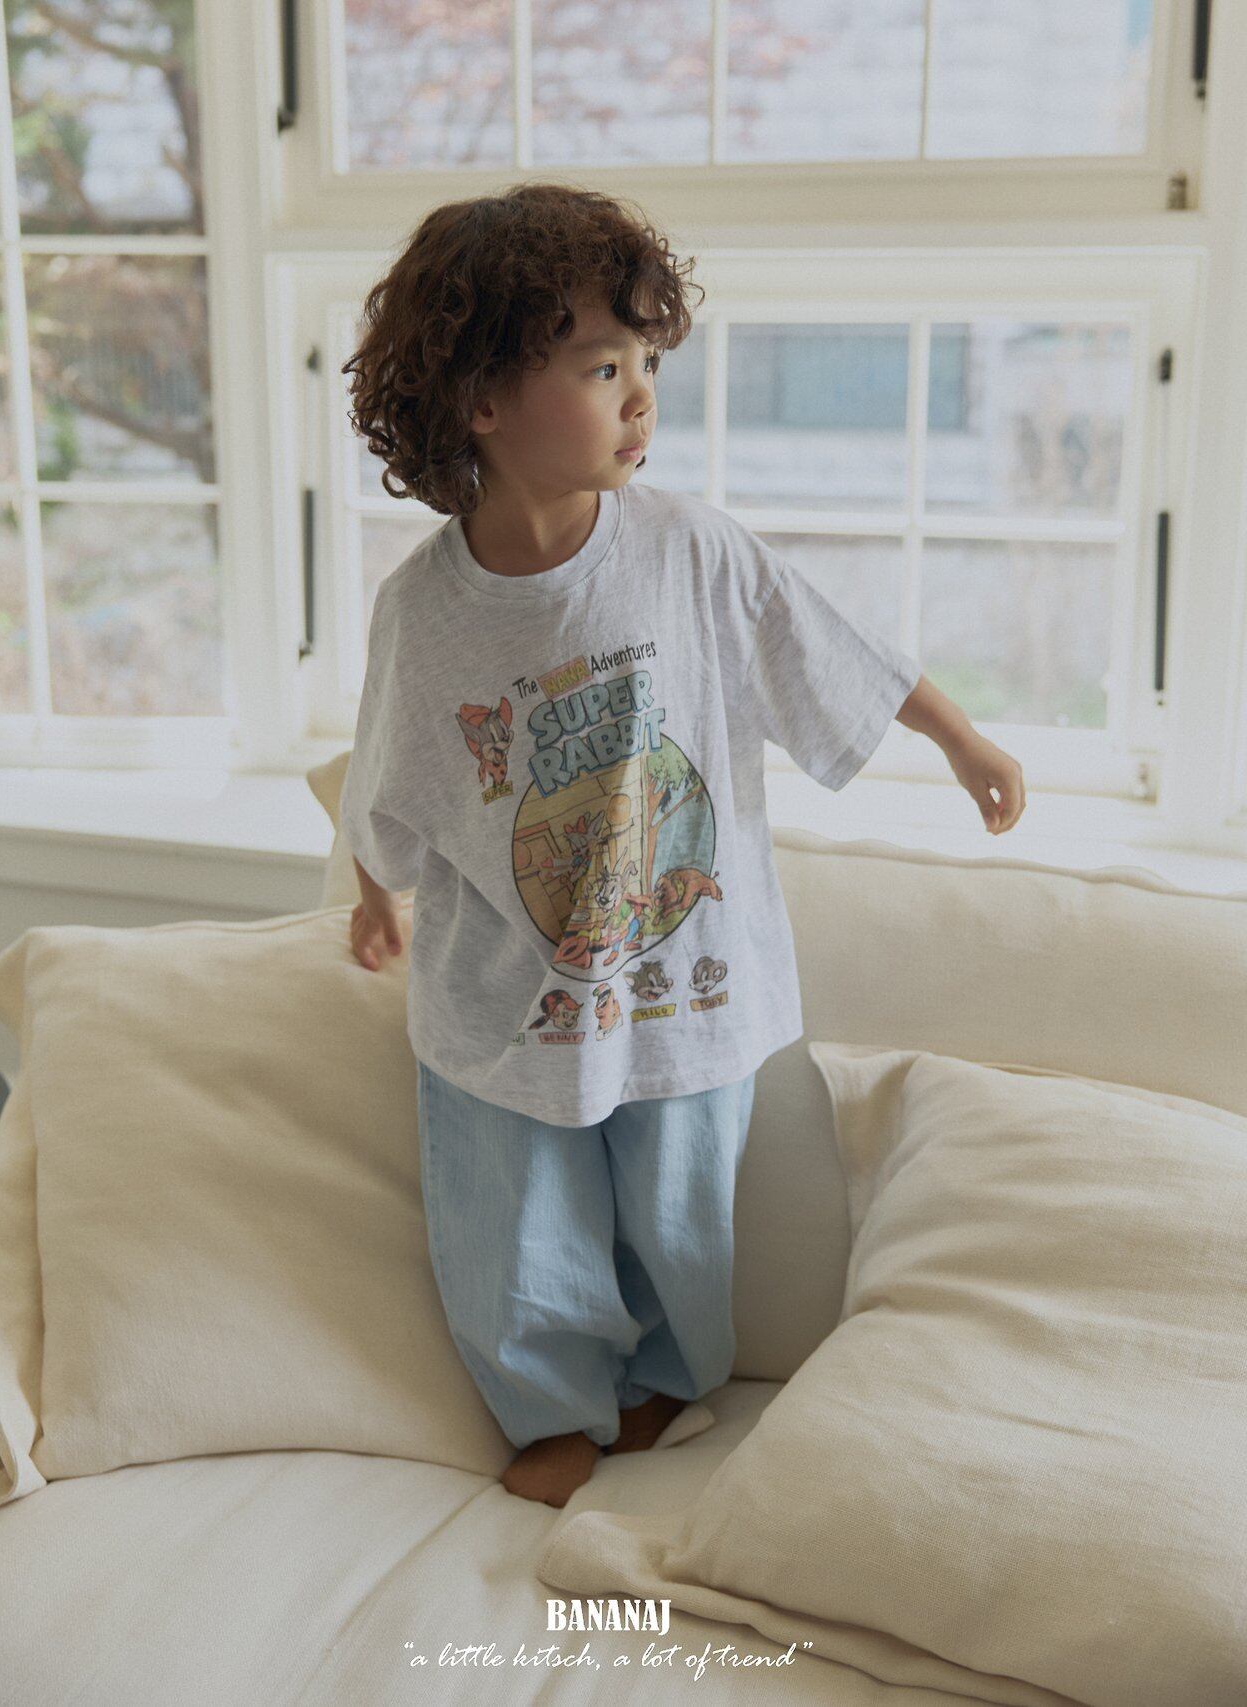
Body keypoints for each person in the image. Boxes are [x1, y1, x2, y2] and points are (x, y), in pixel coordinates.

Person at [337, 183, 1025, 1509]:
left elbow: (837, 646)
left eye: (647, 363)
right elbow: (391, 772)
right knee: (508, 1226)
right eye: (604, 368)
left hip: (684, 977)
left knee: (680, 1209)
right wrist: (376, 892)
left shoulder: (693, 551)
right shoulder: (424, 610)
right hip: (505, 994)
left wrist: (963, 740)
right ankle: (548, 1407)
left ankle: (663, 1380)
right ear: (482, 401)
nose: (644, 397)